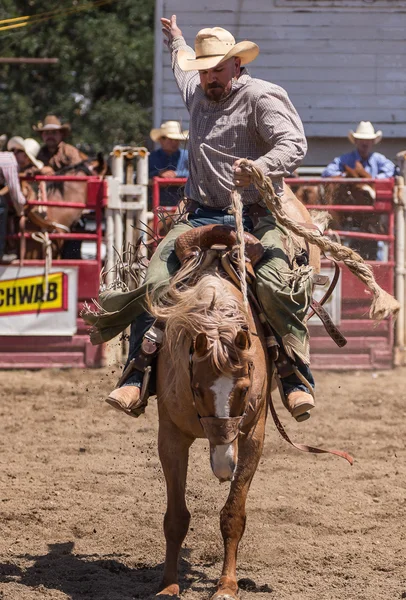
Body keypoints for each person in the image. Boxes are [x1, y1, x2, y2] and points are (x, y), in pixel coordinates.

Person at [88, 15, 316, 422]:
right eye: (205, 70)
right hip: (199, 215)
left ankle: (295, 376)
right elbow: (181, 62)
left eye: (218, 69)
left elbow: (294, 143)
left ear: (237, 65)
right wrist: (175, 38)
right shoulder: (196, 88)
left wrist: (261, 167)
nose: (210, 77)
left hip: (257, 215)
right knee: (154, 283)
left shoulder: (262, 97)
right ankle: (136, 374)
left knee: (273, 284)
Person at [322, 121, 396, 178]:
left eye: (368, 140)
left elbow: (392, 169)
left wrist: (374, 179)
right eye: (361, 139)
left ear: (373, 142)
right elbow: (327, 172)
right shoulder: (345, 159)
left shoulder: (378, 159)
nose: (364, 143)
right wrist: (346, 176)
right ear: (356, 141)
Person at [149, 120, 189, 207]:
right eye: (171, 139)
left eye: (177, 140)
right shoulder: (153, 156)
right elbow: (146, 174)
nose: (174, 143)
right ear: (161, 140)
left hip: (182, 201)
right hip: (158, 200)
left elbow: (196, 174)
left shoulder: (187, 155)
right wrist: (159, 173)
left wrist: (176, 174)